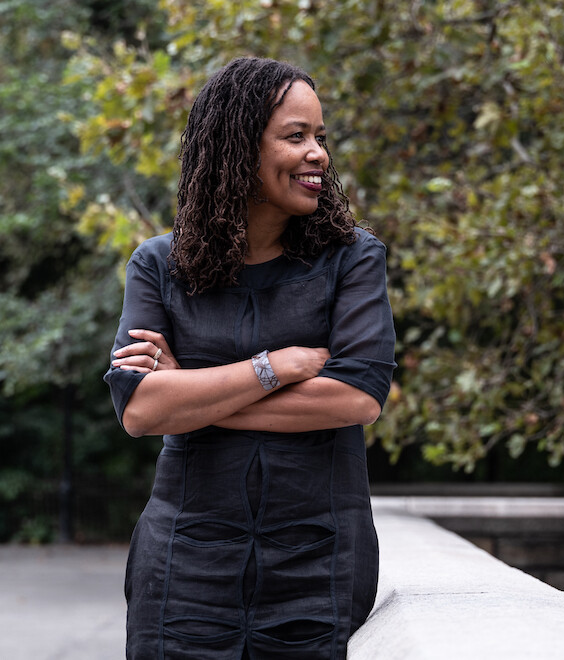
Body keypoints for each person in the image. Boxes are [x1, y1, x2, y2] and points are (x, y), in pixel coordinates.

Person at [104, 56, 396, 660]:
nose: (317, 153)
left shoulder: (353, 261)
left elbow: (355, 399)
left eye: (320, 137)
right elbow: (139, 410)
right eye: (296, 136)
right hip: (184, 564)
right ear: (238, 149)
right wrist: (274, 369)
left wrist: (189, 394)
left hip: (317, 561)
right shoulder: (158, 265)